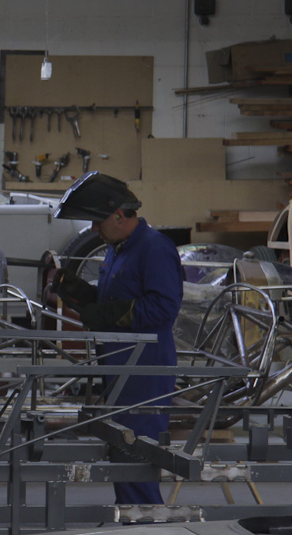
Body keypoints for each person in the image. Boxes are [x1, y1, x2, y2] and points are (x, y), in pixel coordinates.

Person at [51, 171, 184, 505]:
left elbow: (163, 309)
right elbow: (113, 301)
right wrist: (80, 294)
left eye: (98, 222)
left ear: (119, 215)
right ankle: (132, 518)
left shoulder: (154, 248)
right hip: (120, 363)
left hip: (145, 368)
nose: (94, 229)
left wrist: (105, 314)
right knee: (121, 450)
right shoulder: (116, 249)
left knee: (136, 452)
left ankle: (145, 523)